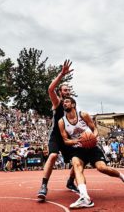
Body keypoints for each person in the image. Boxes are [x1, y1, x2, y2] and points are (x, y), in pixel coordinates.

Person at [58, 97, 124, 208]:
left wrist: (93, 137)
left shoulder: (83, 114)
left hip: (92, 147)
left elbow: (94, 129)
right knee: (77, 166)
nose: (64, 103)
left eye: (67, 102)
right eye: (63, 102)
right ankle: (85, 197)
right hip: (78, 148)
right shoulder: (62, 121)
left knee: (102, 168)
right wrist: (78, 141)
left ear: (73, 104)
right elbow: (66, 140)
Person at [37, 60, 78, 201]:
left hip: (67, 137)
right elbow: (50, 89)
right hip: (56, 136)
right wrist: (62, 74)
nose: (67, 92)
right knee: (53, 156)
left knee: (79, 159)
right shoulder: (58, 103)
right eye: (64, 90)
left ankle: (70, 181)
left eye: (68, 90)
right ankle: (43, 185)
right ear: (60, 93)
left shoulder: (72, 106)